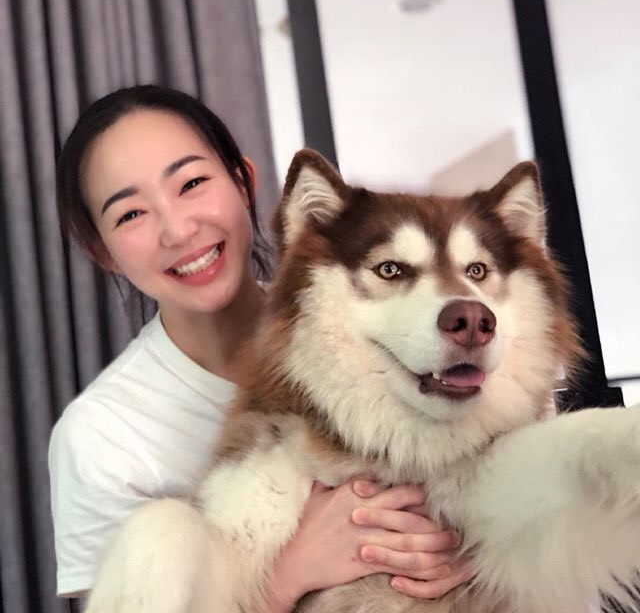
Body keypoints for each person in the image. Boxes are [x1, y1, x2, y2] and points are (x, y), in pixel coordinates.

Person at [48, 85, 469, 611]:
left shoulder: (377, 334)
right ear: (102, 250)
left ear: (244, 181)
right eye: (131, 214)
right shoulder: (101, 436)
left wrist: (473, 549)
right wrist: (283, 576)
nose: (178, 230)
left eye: (192, 183)